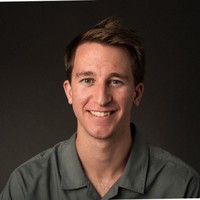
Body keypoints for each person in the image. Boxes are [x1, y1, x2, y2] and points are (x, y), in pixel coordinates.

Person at [0, 16, 199, 200]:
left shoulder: (183, 187)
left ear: (136, 94)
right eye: (88, 80)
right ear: (69, 92)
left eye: (115, 81)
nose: (102, 98)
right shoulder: (25, 187)